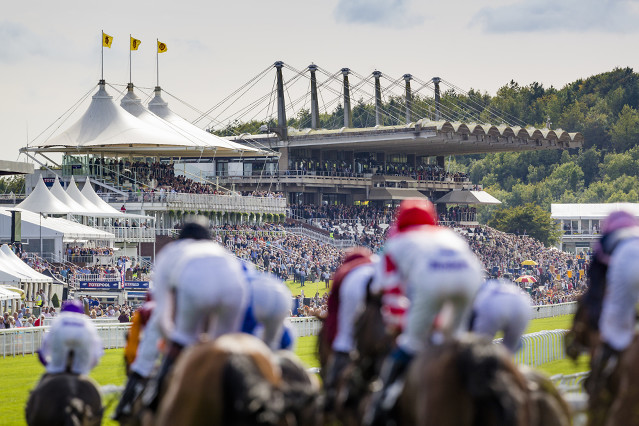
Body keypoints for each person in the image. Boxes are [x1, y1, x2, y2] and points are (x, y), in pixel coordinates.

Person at [364, 199, 482, 426]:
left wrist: (398, 326)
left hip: (432, 281)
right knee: (454, 342)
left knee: (410, 344)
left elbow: (390, 295)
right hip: (471, 277)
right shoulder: (448, 235)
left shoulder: (396, 243)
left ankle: (381, 405)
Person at [587, 211, 639, 392]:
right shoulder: (635, 232)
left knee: (614, 329)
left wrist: (597, 325)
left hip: (624, 261)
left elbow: (594, 293)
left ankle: (601, 378)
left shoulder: (604, 242)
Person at [322, 247, 377, 414]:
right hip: (383, 279)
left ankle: (330, 400)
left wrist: (335, 339)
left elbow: (333, 316)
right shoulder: (377, 263)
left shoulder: (344, 271)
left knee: (345, 339)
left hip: (353, 287)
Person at [37, 300, 103, 375]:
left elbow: (43, 351)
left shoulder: (58, 320)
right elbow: (96, 355)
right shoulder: (88, 322)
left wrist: (50, 366)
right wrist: (84, 369)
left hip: (57, 369)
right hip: (80, 370)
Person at [469, 279, 532, 353]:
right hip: (522, 303)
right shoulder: (490, 285)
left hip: (492, 305)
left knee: (478, 348)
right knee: (508, 351)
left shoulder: (477, 291)